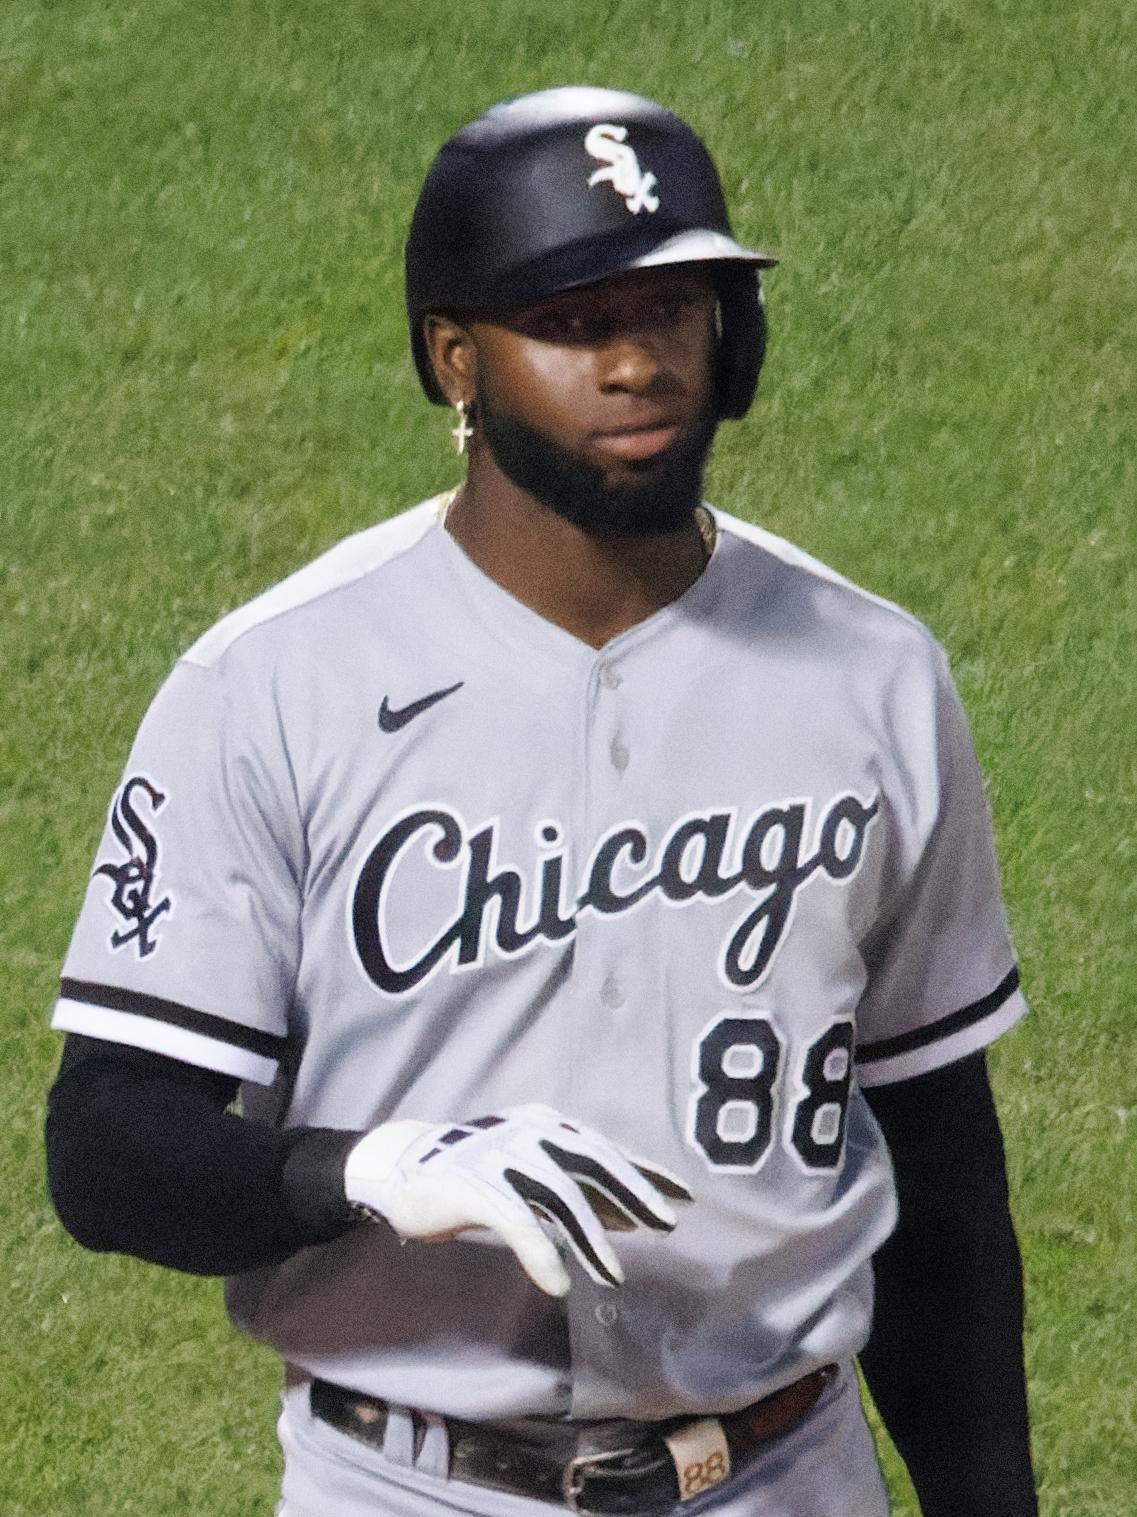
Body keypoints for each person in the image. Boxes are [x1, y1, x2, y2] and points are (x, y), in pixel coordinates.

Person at [45, 86, 1038, 1516]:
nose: (635, 362)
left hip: (785, 1476)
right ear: (456, 358)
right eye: (571, 324)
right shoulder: (274, 683)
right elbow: (110, 1146)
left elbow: (938, 1158)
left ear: (733, 340)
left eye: (674, 311)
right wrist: (373, 1168)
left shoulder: (871, 674)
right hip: (410, 1487)